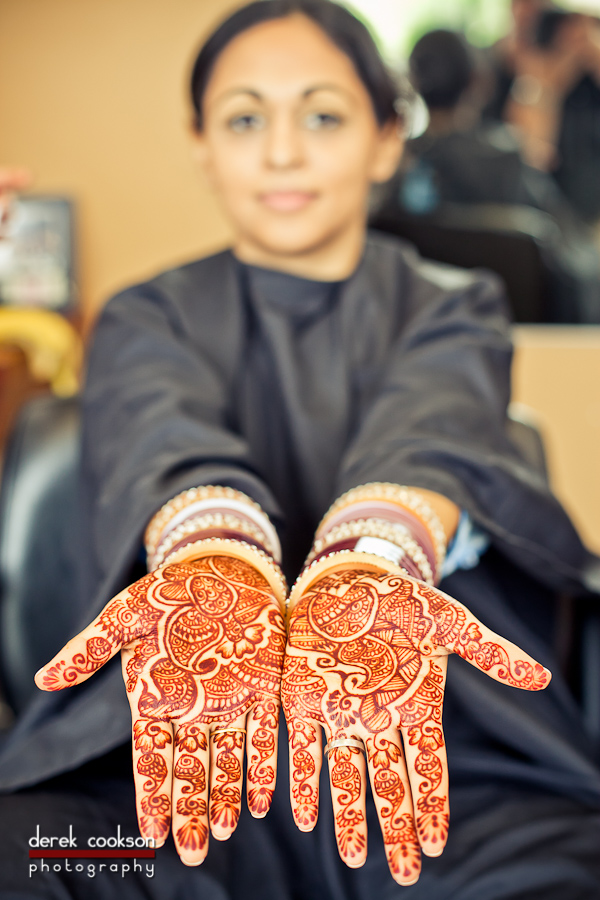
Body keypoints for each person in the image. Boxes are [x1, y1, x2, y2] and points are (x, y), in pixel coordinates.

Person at [0, 2, 599, 898]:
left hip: (447, 773)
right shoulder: (143, 316)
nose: (282, 152)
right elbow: (161, 434)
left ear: (387, 140)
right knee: (37, 861)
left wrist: (371, 560)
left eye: (322, 116)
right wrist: (217, 561)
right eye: (246, 120)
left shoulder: (456, 305)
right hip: (161, 773)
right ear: (202, 144)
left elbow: (431, 430)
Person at [375, 28, 600, 323]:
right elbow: (576, 260)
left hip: (417, 324)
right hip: (525, 334)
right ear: (478, 82)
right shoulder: (507, 162)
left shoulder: (389, 167)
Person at [486, 1, 600, 223]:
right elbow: (531, 151)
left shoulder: (589, 64)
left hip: (583, 197)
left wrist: (592, 53)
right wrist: (542, 81)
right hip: (533, 201)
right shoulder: (510, 60)